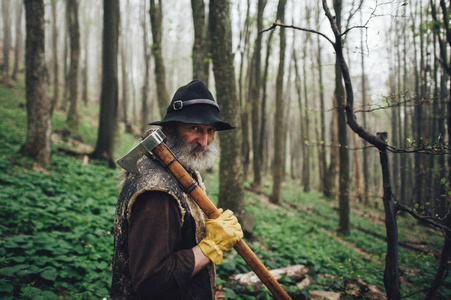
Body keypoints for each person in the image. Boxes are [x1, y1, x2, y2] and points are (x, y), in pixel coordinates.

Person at [110, 80, 244, 299]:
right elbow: (151, 280)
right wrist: (210, 247)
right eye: (195, 129)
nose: (205, 141)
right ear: (170, 129)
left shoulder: (181, 170)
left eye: (210, 130)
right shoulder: (157, 193)